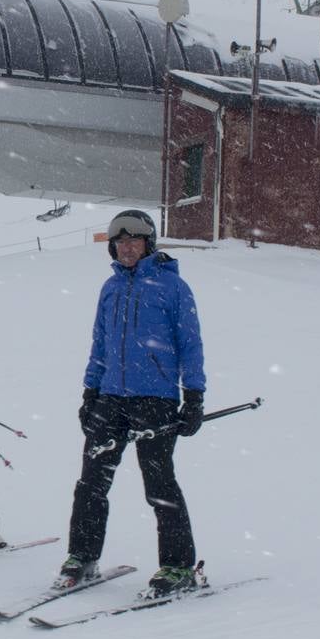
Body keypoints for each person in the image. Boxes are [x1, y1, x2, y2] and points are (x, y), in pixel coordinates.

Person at [60, 209, 209, 598]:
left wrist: (193, 397)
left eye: (134, 241)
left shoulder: (173, 287)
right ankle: (82, 557)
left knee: (158, 484)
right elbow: (100, 344)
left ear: (148, 244)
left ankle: (177, 566)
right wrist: (89, 392)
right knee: (91, 482)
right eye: (120, 242)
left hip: (155, 399)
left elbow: (190, 346)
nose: (126, 248)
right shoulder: (109, 288)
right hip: (110, 398)